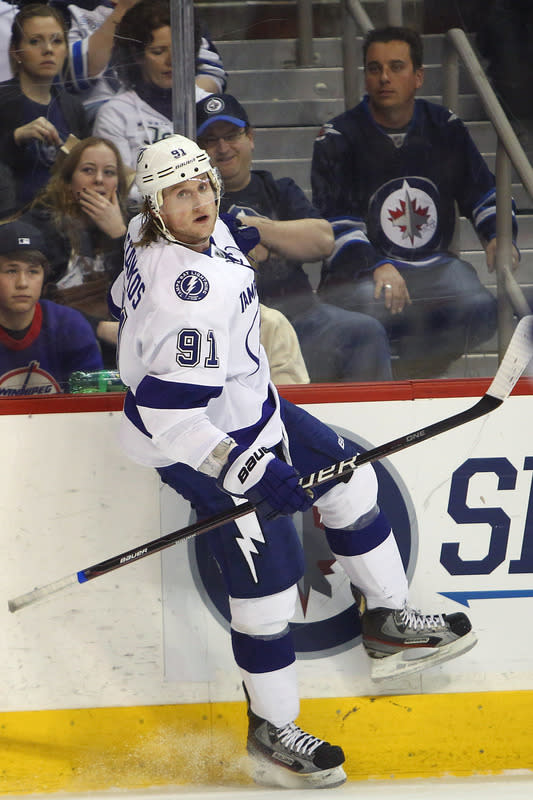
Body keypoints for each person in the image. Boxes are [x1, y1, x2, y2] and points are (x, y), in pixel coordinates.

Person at [109, 134, 477, 788]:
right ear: (159, 206)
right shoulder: (187, 298)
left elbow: (126, 288)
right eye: (181, 193)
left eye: (202, 186)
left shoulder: (158, 228)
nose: (198, 200)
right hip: (195, 443)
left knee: (349, 477)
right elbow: (170, 416)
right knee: (268, 594)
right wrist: (244, 469)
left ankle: (389, 621)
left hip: (250, 407)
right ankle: (272, 732)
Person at [311, 26, 520, 380]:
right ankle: (396, 372)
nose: (384, 78)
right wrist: (375, 264)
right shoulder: (338, 136)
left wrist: (499, 236)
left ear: (419, 76)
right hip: (365, 275)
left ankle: (415, 369)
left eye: (397, 67)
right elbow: (334, 221)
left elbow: (484, 192)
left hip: (434, 269)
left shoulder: (445, 127)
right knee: (363, 305)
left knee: (483, 307)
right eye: (374, 69)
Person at [196, 93, 393, 384]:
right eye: (211, 140)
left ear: (250, 137)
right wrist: (283, 239)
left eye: (231, 135)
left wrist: (248, 228)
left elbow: (322, 240)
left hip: (306, 318)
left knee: (365, 332)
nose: (223, 148)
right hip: (239, 330)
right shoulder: (196, 203)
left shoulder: (280, 190)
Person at [19, 135, 130, 366]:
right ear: (69, 181)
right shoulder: (40, 227)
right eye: (88, 170)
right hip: (56, 347)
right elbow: (26, 302)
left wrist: (120, 234)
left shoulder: (133, 226)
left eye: (109, 172)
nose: (99, 180)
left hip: (124, 350)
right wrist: (97, 326)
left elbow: (147, 290)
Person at [92, 0, 216, 205]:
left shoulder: (207, 104)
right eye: (158, 52)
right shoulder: (115, 113)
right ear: (138, 56)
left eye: (178, 50)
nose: (171, 61)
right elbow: (121, 186)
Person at [51, 0, 226, 122]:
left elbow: (213, 72)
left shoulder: (171, 10)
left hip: (173, 118)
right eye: (158, 51)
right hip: (100, 124)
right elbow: (71, 77)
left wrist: (168, 108)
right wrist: (124, 9)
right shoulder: (72, 7)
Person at [0, 3, 90, 213]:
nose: (48, 49)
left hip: (65, 220)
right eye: (35, 41)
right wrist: (16, 137)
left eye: (57, 41)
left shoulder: (73, 106)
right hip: (12, 223)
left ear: (66, 50)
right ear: (16, 51)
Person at [0, 218, 103, 395]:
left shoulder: (71, 327)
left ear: (44, 277)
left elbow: (91, 405)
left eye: (33, 271)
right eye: (11, 271)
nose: (22, 283)